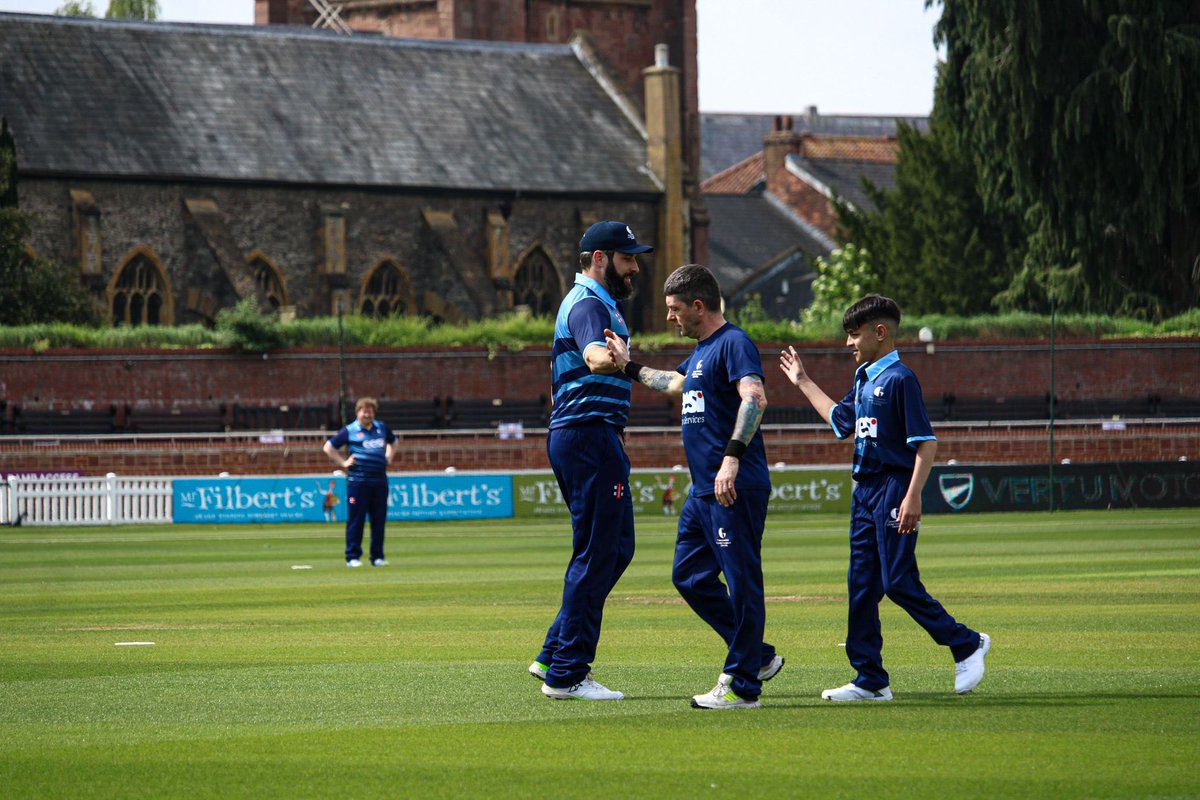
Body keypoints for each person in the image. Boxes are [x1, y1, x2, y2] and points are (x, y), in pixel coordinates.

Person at [778, 294, 990, 701]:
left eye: (854, 335)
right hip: (864, 492)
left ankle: (966, 643)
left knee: (898, 581)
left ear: (879, 332)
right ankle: (870, 680)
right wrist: (803, 381)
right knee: (861, 586)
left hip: (894, 486)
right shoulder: (864, 379)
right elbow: (841, 423)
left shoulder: (900, 379)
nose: (848, 343)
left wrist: (913, 496)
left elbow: (926, 443)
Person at [605, 263, 784, 710]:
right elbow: (676, 382)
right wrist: (628, 367)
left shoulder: (734, 343)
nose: (670, 317)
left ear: (698, 306)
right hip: (702, 492)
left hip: (732, 486)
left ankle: (742, 685)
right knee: (689, 576)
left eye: (674, 309)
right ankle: (758, 655)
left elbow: (755, 397)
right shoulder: (704, 351)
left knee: (742, 581)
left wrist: (731, 458)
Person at [528, 220, 653, 701]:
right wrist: (620, 359)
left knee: (616, 548)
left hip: (590, 435)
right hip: (586, 436)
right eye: (627, 258)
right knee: (598, 551)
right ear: (600, 258)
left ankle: (553, 653)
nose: (634, 267)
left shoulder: (600, 303)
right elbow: (595, 357)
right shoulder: (588, 304)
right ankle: (567, 673)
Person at [323, 397, 395, 568]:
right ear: (358, 412)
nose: (367, 414)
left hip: (379, 481)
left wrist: (388, 457)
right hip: (357, 483)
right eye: (364, 411)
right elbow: (328, 447)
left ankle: (377, 557)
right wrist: (343, 463)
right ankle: (352, 556)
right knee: (356, 519)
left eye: (370, 411)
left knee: (378, 519)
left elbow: (394, 442)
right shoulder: (350, 430)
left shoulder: (381, 428)